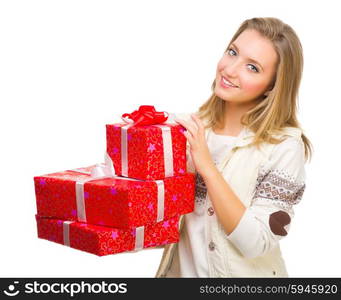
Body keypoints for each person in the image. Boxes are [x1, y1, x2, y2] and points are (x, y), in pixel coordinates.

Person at [155, 17, 312, 278]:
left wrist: (207, 166)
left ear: (272, 86)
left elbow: (256, 243)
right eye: (232, 52)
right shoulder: (185, 129)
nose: (230, 70)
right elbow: (154, 222)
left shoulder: (284, 147)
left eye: (252, 67)